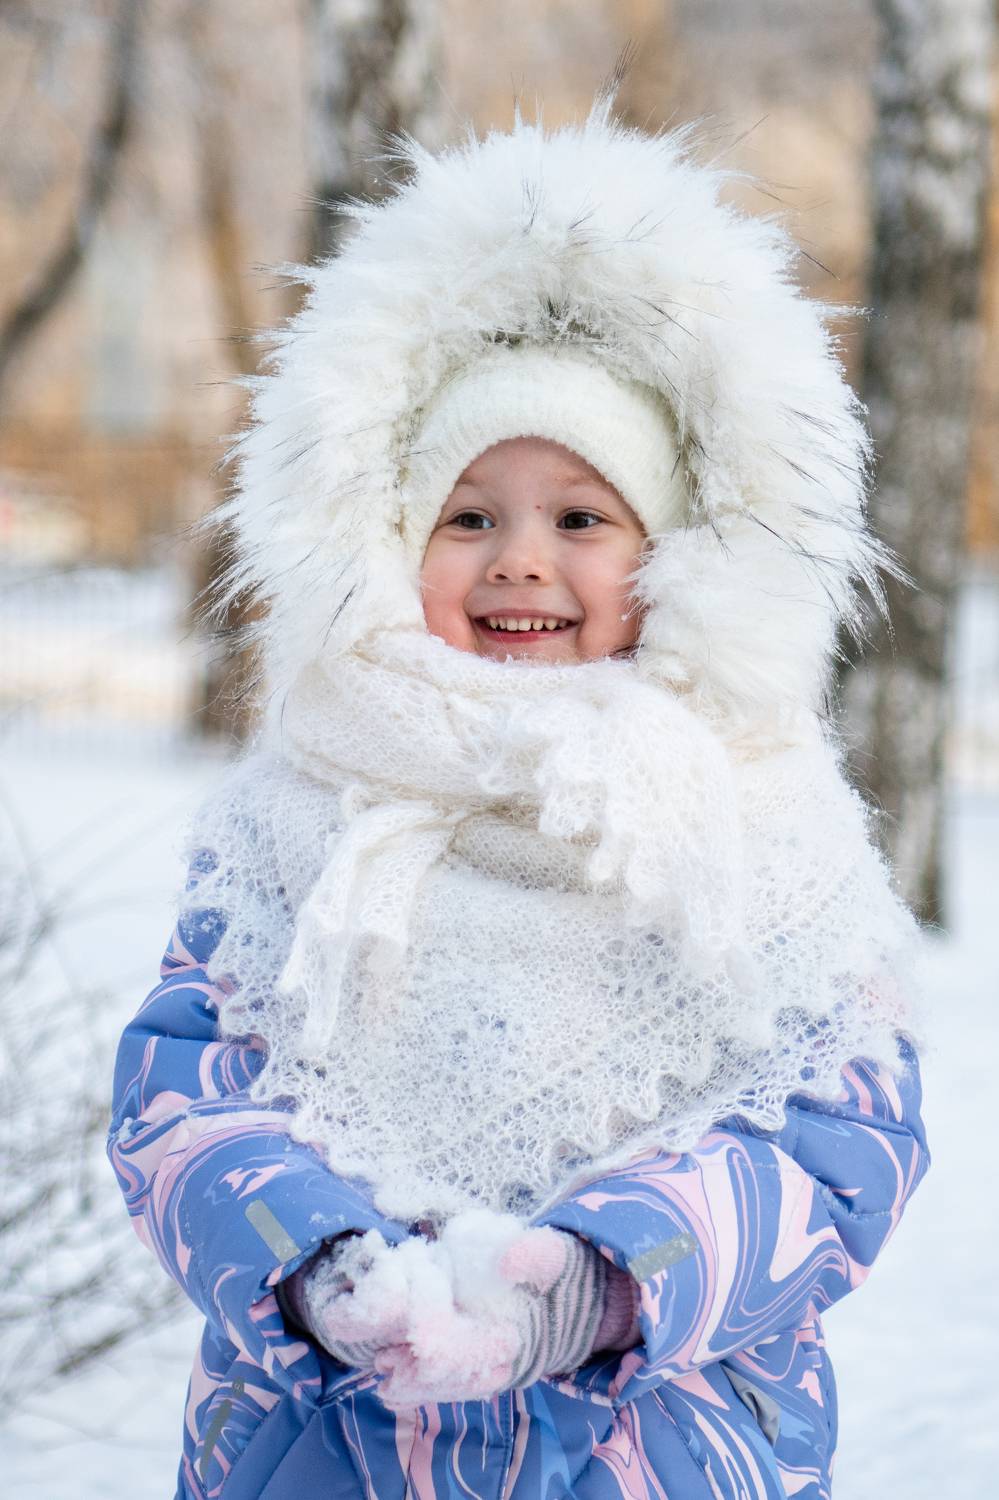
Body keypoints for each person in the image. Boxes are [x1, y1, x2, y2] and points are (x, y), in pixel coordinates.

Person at [108, 91, 930, 1500]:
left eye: (583, 519)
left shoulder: (752, 819)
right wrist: (317, 1266)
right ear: (389, 539)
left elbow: (839, 1136)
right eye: (469, 516)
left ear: (675, 554)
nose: (520, 562)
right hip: (323, 1445)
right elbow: (184, 1086)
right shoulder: (310, 809)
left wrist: (604, 1284)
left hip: (658, 1446)